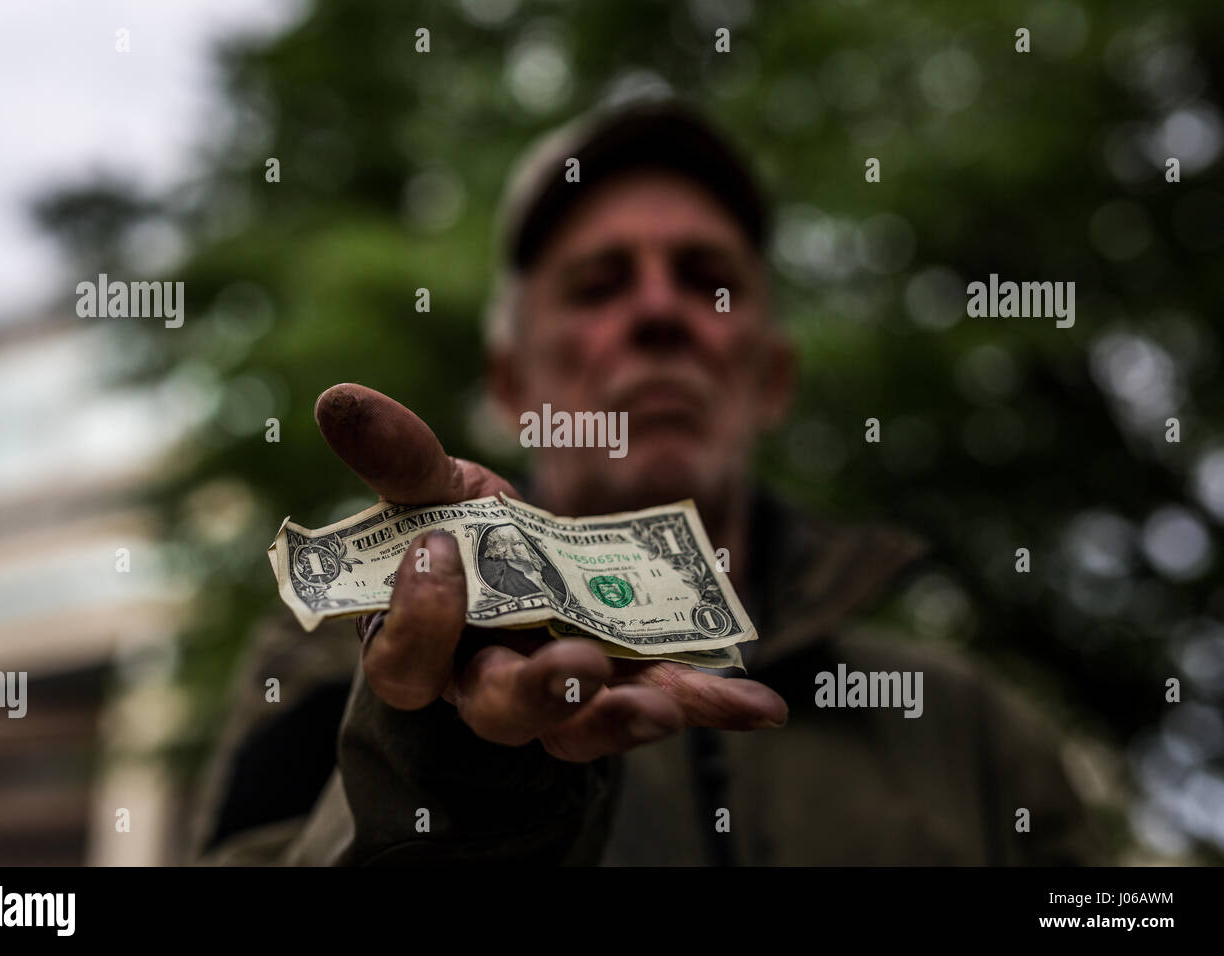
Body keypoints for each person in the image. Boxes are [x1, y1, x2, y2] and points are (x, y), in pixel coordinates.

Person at [191, 99, 1103, 865]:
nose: (662, 313)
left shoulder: (969, 727)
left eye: (708, 282)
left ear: (773, 375)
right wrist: (442, 766)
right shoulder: (338, 653)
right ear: (512, 384)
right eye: (598, 286)